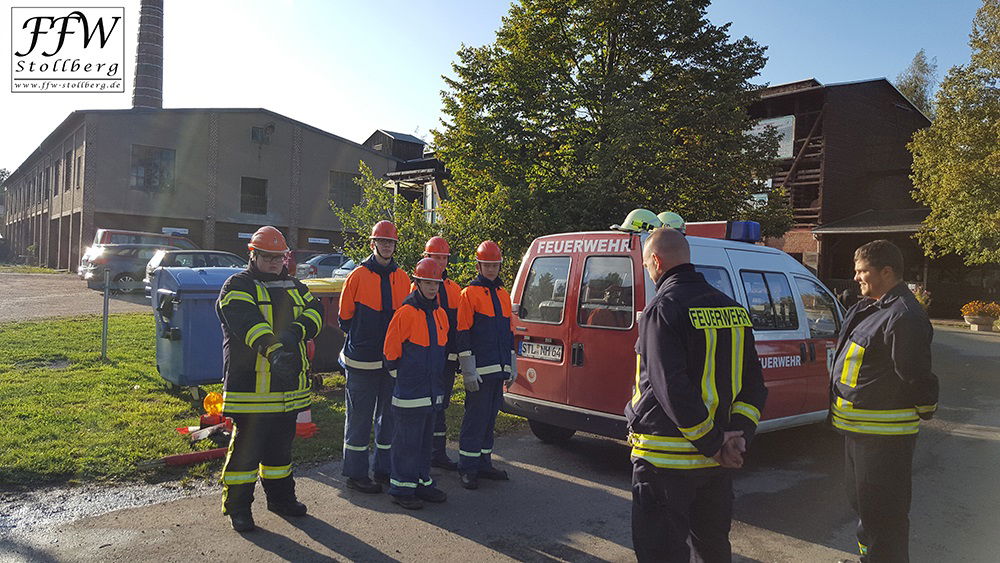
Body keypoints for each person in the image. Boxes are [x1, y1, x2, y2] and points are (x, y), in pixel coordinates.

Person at [625, 227, 767, 562]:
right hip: (716, 466)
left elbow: (671, 387)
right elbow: (754, 385)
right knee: (713, 549)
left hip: (664, 461)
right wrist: (737, 436)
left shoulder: (662, 308)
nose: (649, 272)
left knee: (661, 553)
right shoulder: (733, 309)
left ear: (657, 261)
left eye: (646, 265)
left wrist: (713, 442)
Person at [831, 240, 938, 563]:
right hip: (860, 434)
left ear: (887, 271)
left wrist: (927, 407)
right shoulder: (873, 308)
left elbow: (915, 374)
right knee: (866, 510)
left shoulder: (904, 315)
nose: (856, 277)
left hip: (884, 439)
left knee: (884, 517)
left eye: (862, 271)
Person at [216, 226, 324, 532]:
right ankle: (238, 508)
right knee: (245, 454)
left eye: (279, 257)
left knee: (280, 451)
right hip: (251, 389)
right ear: (253, 255)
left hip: (288, 389)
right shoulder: (237, 285)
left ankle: (281, 499)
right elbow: (247, 323)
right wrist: (275, 350)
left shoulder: (294, 285)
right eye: (268, 257)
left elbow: (316, 311)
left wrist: (295, 331)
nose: (275, 263)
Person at [338, 220, 411, 494]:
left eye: (390, 242)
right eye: (382, 241)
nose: (387, 246)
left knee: (388, 418)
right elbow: (344, 318)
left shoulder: (402, 278)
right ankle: (356, 474)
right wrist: (364, 338)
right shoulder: (357, 276)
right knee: (359, 419)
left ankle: (384, 469)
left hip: (390, 363)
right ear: (373, 244)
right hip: (361, 362)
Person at [383, 258, 451, 509]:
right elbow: (390, 352)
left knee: (424, 442)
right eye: (428, 283)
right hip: (410, 392)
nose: (433, 288)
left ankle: (422, 482)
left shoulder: (440, 314)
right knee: (406, 443)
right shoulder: (405, 313)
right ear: (417, 283)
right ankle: (401, 488)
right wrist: (402, 379)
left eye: (436, 283)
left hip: (431, 392)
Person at [455, 240, 516, 490]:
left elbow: (509, 333)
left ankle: (483, 463)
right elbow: (462, 333)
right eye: (487, 265)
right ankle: (467, 468)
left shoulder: (503, 294)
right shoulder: (469, 294)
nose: (491, 270)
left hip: (498, 370)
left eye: (494, 265)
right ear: (478, 266)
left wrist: (511, 363)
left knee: (490, 419)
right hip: (479, 372)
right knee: (475, 420)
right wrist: (468, 369)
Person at [419, 236, 464, 470]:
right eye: (435, 257)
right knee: (423, 405)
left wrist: (457, 356)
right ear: (426, 257)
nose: (440, 262)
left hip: (447, 359)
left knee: (441, 405)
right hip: (425, 359)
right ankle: (422, 453)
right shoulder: (417, 287)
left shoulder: (454, 289)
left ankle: (438, 453)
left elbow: (459, 327)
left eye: (444, 258)